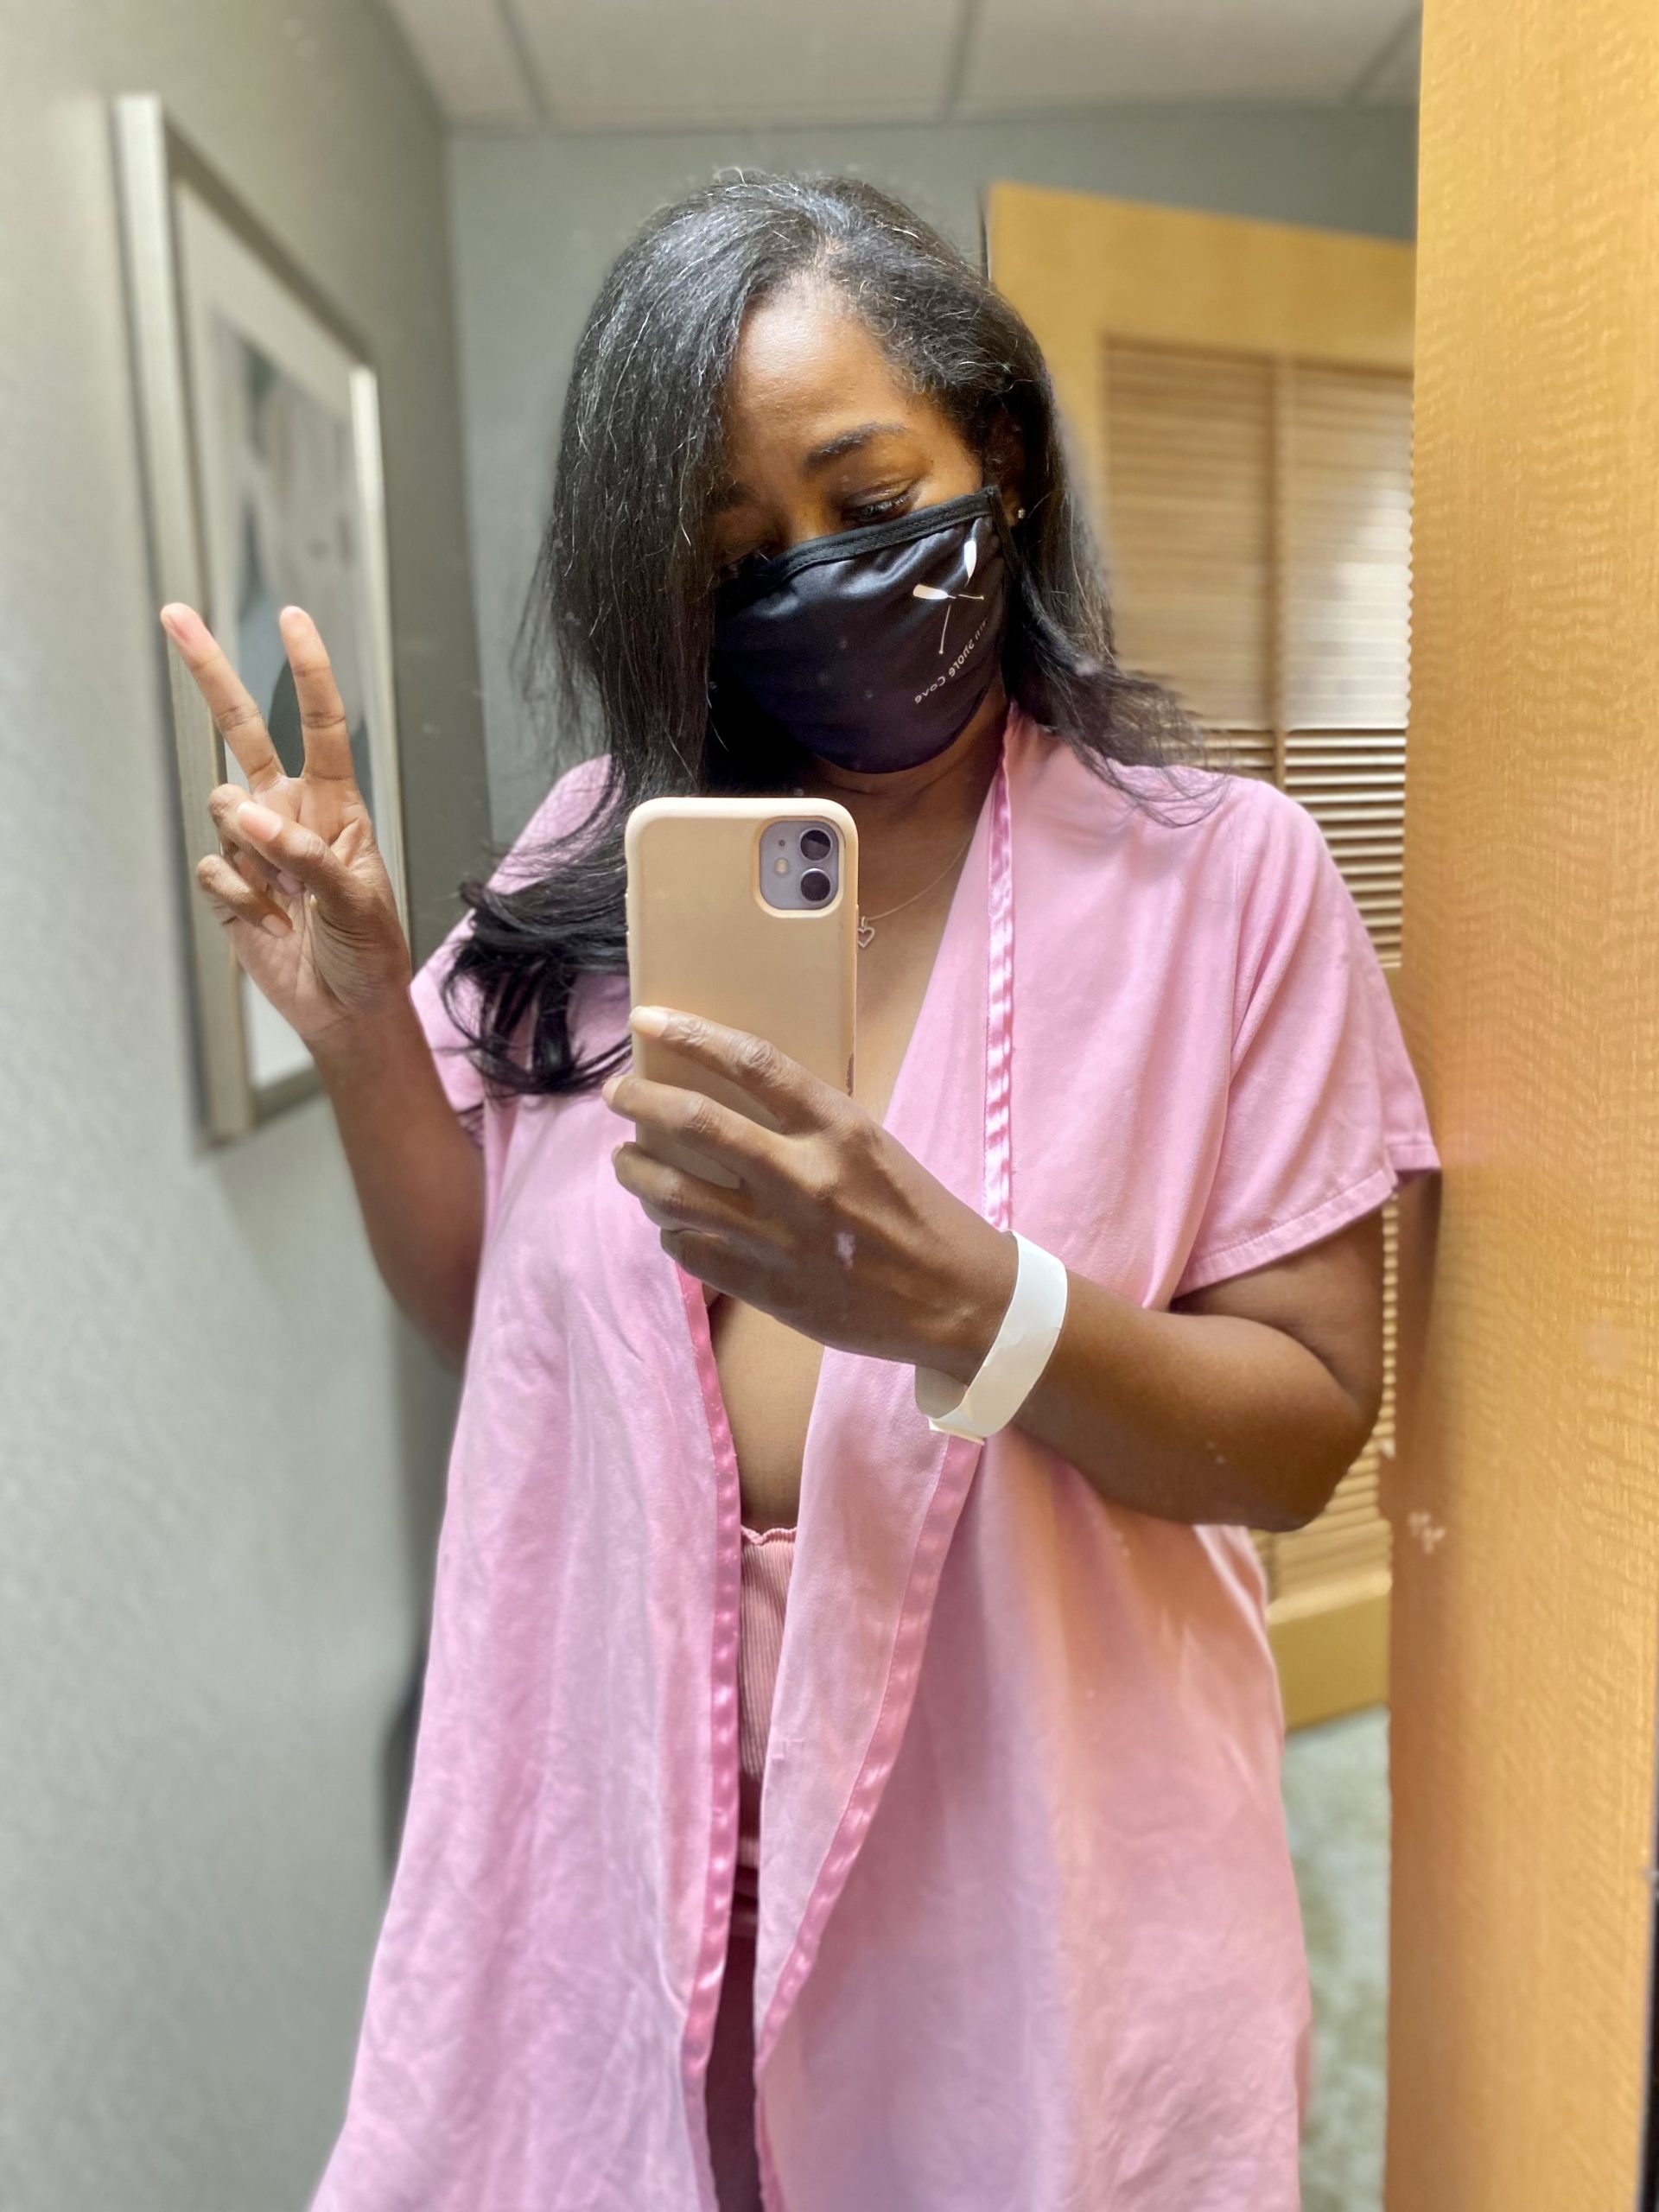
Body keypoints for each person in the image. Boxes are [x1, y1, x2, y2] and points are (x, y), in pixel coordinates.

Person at [162, 173, 1439, 2212]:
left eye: (870, 500)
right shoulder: (602, 857)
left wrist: (969, 1307)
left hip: (1021, 1870)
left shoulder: (1224, 881)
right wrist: (362, 1031)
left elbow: (1301, 1427)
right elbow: (499, 1324)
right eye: (738, 554)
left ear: (998, 454)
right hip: (639, 1835)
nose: (817, 579)